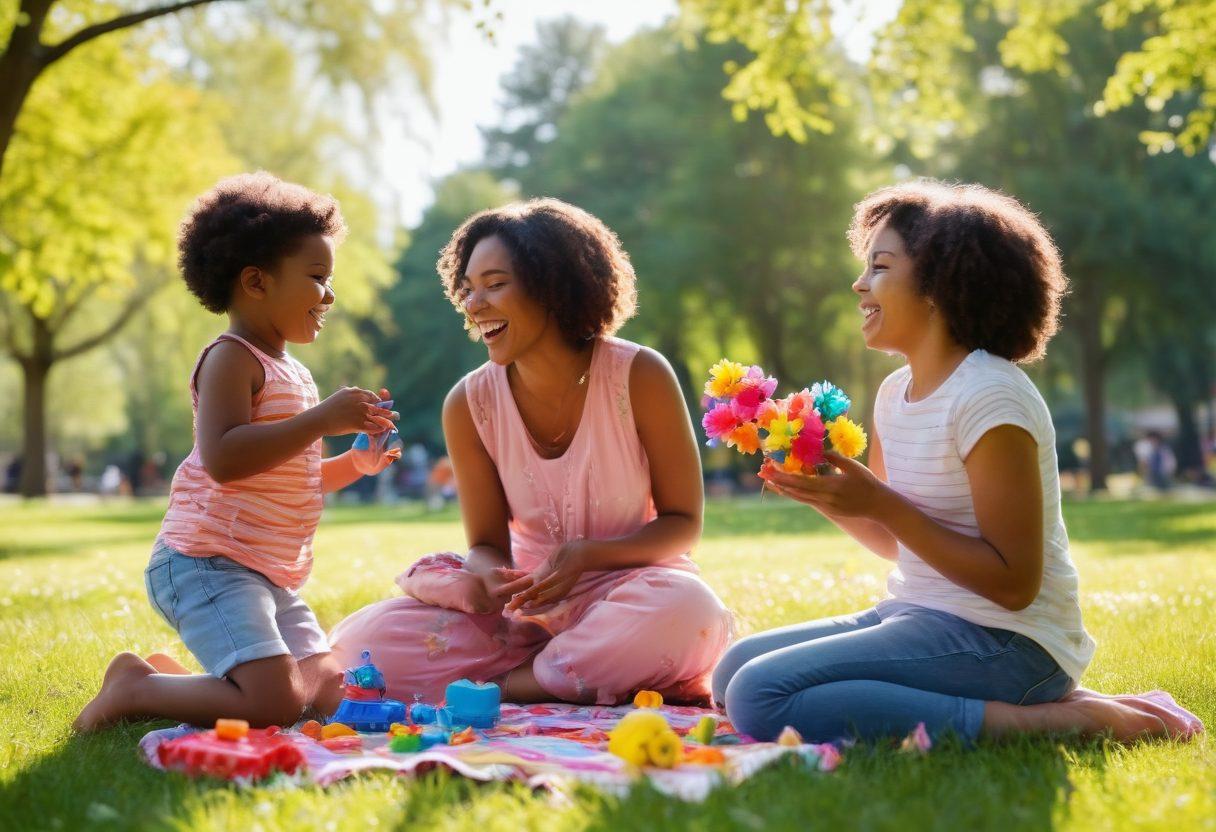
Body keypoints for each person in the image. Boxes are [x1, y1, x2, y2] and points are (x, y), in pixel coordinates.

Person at [714, 180, 1200, 744]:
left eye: (880, 267)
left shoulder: (990, 396)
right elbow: (896, 539)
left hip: (1009, 641)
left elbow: (1015, 584)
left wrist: (883, 504)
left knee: (759, 696)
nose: (858, 283)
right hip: (919, 616)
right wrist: (830, 498)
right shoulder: (895, 393)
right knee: (732, 672)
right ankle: (1067, 706)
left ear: (937, 285)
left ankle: (1044, 721)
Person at [330, 199, 732, 705]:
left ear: (554, 286)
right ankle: (564, 672)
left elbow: (682, 524)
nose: (475, 305)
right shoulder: (468, 403)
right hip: (526, 613)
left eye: (495, 284)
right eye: (469, 289)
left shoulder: (640, 375)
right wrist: (486, 578)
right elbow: (485, 544)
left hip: (634, 594)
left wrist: (587, 557)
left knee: (689, 610)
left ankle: (503, 688)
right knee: (369, 641)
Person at [73, 173, 399, 732]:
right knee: (274, 704)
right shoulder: (231, 358)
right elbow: (225, 457)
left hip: (266, 572)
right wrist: (322, 419)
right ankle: (134, 688)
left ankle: (181, 683)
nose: (330, 294)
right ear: (256, 282)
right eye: (318, 277)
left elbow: (291, 476)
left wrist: (357, 463)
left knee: (325, 689)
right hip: (208, 563)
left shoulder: (294, 371)